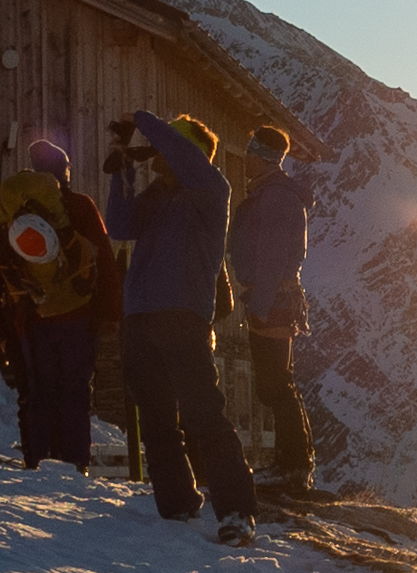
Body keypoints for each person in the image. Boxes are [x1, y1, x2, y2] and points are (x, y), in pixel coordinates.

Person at [105, 108, 259, 538]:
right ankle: (176, 505)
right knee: (157, 420)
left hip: (183, 316)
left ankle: (237, 511)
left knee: (204, 415)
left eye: (165, 147)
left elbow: (181, 153)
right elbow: (119, 224)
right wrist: (123, 169)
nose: (158, 154)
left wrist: (141, 120)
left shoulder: (210, 189)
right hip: (140, 316)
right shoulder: (158, 197)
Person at [0, 132, 107, 468]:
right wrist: (110, 312)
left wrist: (1, 329)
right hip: (78, 316)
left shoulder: (15, 212)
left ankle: (37, 463)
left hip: (33, 317)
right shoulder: (80, 207)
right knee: (75, 393)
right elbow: (104, 261)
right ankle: (76, 466)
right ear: (63, 171)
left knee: (40, 393)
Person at [226, 122, 329, 496]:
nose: (245, 158)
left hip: (272, 300)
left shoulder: (274, 198)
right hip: (276, 298)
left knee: (275, 383)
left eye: (250, 151)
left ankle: (294, 465)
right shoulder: (276, 194)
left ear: (259, 156)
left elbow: (271, 256)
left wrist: (260, 303)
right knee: (276, 381)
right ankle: (294, 463)